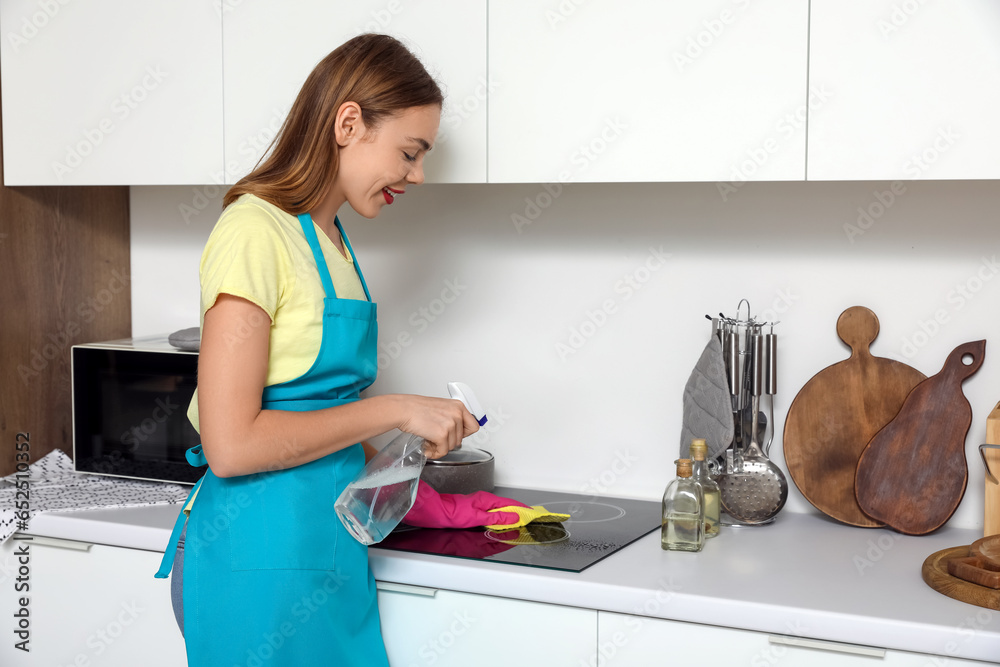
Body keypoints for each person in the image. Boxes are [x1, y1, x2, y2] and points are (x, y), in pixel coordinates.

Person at [154, 34, 527, 666]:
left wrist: (419, 493)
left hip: (324, 553)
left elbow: (323, 412)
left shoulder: (333, 240)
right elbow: (232, 445)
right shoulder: (253, 230)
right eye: (409, 152)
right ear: (348, 122)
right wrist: (397, 409)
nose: (417, 174)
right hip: (257, 563)